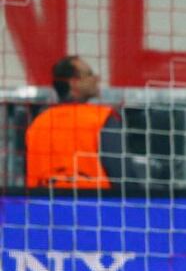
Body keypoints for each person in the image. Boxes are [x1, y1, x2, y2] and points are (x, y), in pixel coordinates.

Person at [26, 55, 125, 189]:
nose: (96, 79)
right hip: (95, 205)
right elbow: (121, 172)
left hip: (43, 205)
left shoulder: (37, 124)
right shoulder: (102, 118)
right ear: (74, 82)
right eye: (89, 74)